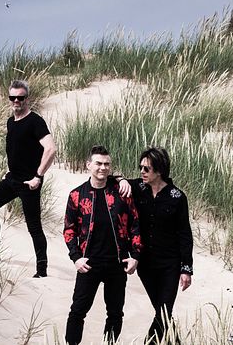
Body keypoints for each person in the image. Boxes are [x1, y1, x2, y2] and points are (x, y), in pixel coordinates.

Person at [63, 145, 142, 345]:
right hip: (89, 263)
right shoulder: (76, 195)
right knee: (78, 311)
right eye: (98, 163)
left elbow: (135, 225)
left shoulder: (121, 193)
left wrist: (135, 256)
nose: (103, 168)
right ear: (88, 165)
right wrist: (76, 258)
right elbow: (69, 230)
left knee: (115, 313)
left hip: (117, 264)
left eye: (107, 164)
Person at [0, 80, 56, 277]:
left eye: (20, 98)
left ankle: (42, 271)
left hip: (30, 183)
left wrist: (38, 176)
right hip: (12, 179)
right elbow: (16, 149)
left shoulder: (35, 121)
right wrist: (8, 171)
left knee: (34, 226)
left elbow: (51, 148)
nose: (16, 101)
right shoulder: (10, 122)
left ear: (27, 99)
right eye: (12, 97)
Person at [119, 147, 193, 344]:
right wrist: (122, 180)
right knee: (162, 311)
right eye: (140, 167)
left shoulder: (177, 197)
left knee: (163, 310)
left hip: (170, 263)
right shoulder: (138, 188)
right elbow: (113, 178)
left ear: (159, 170)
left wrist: (186, 269)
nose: (142, 172)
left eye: (147, 169)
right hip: (146, 263)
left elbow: (185, 234)